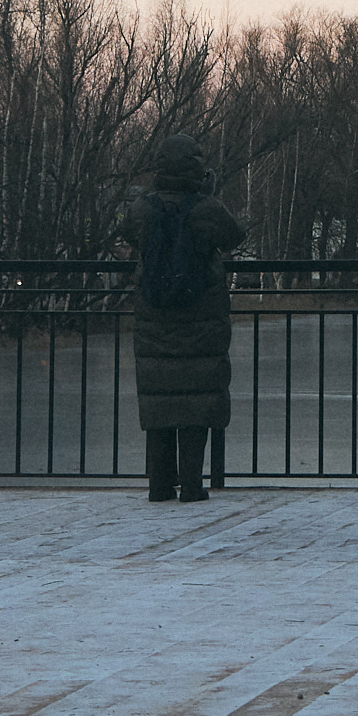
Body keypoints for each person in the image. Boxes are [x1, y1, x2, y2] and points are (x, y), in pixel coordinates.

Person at [123, 132, 242, 503]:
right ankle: (192, 484)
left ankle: (159, 484)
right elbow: (235, 235)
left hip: (154, 321)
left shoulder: (144, 207)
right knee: (196, 402)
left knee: (159, 401)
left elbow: (127, 233)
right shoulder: (205, 209)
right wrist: (207, 195)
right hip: (200, 322)